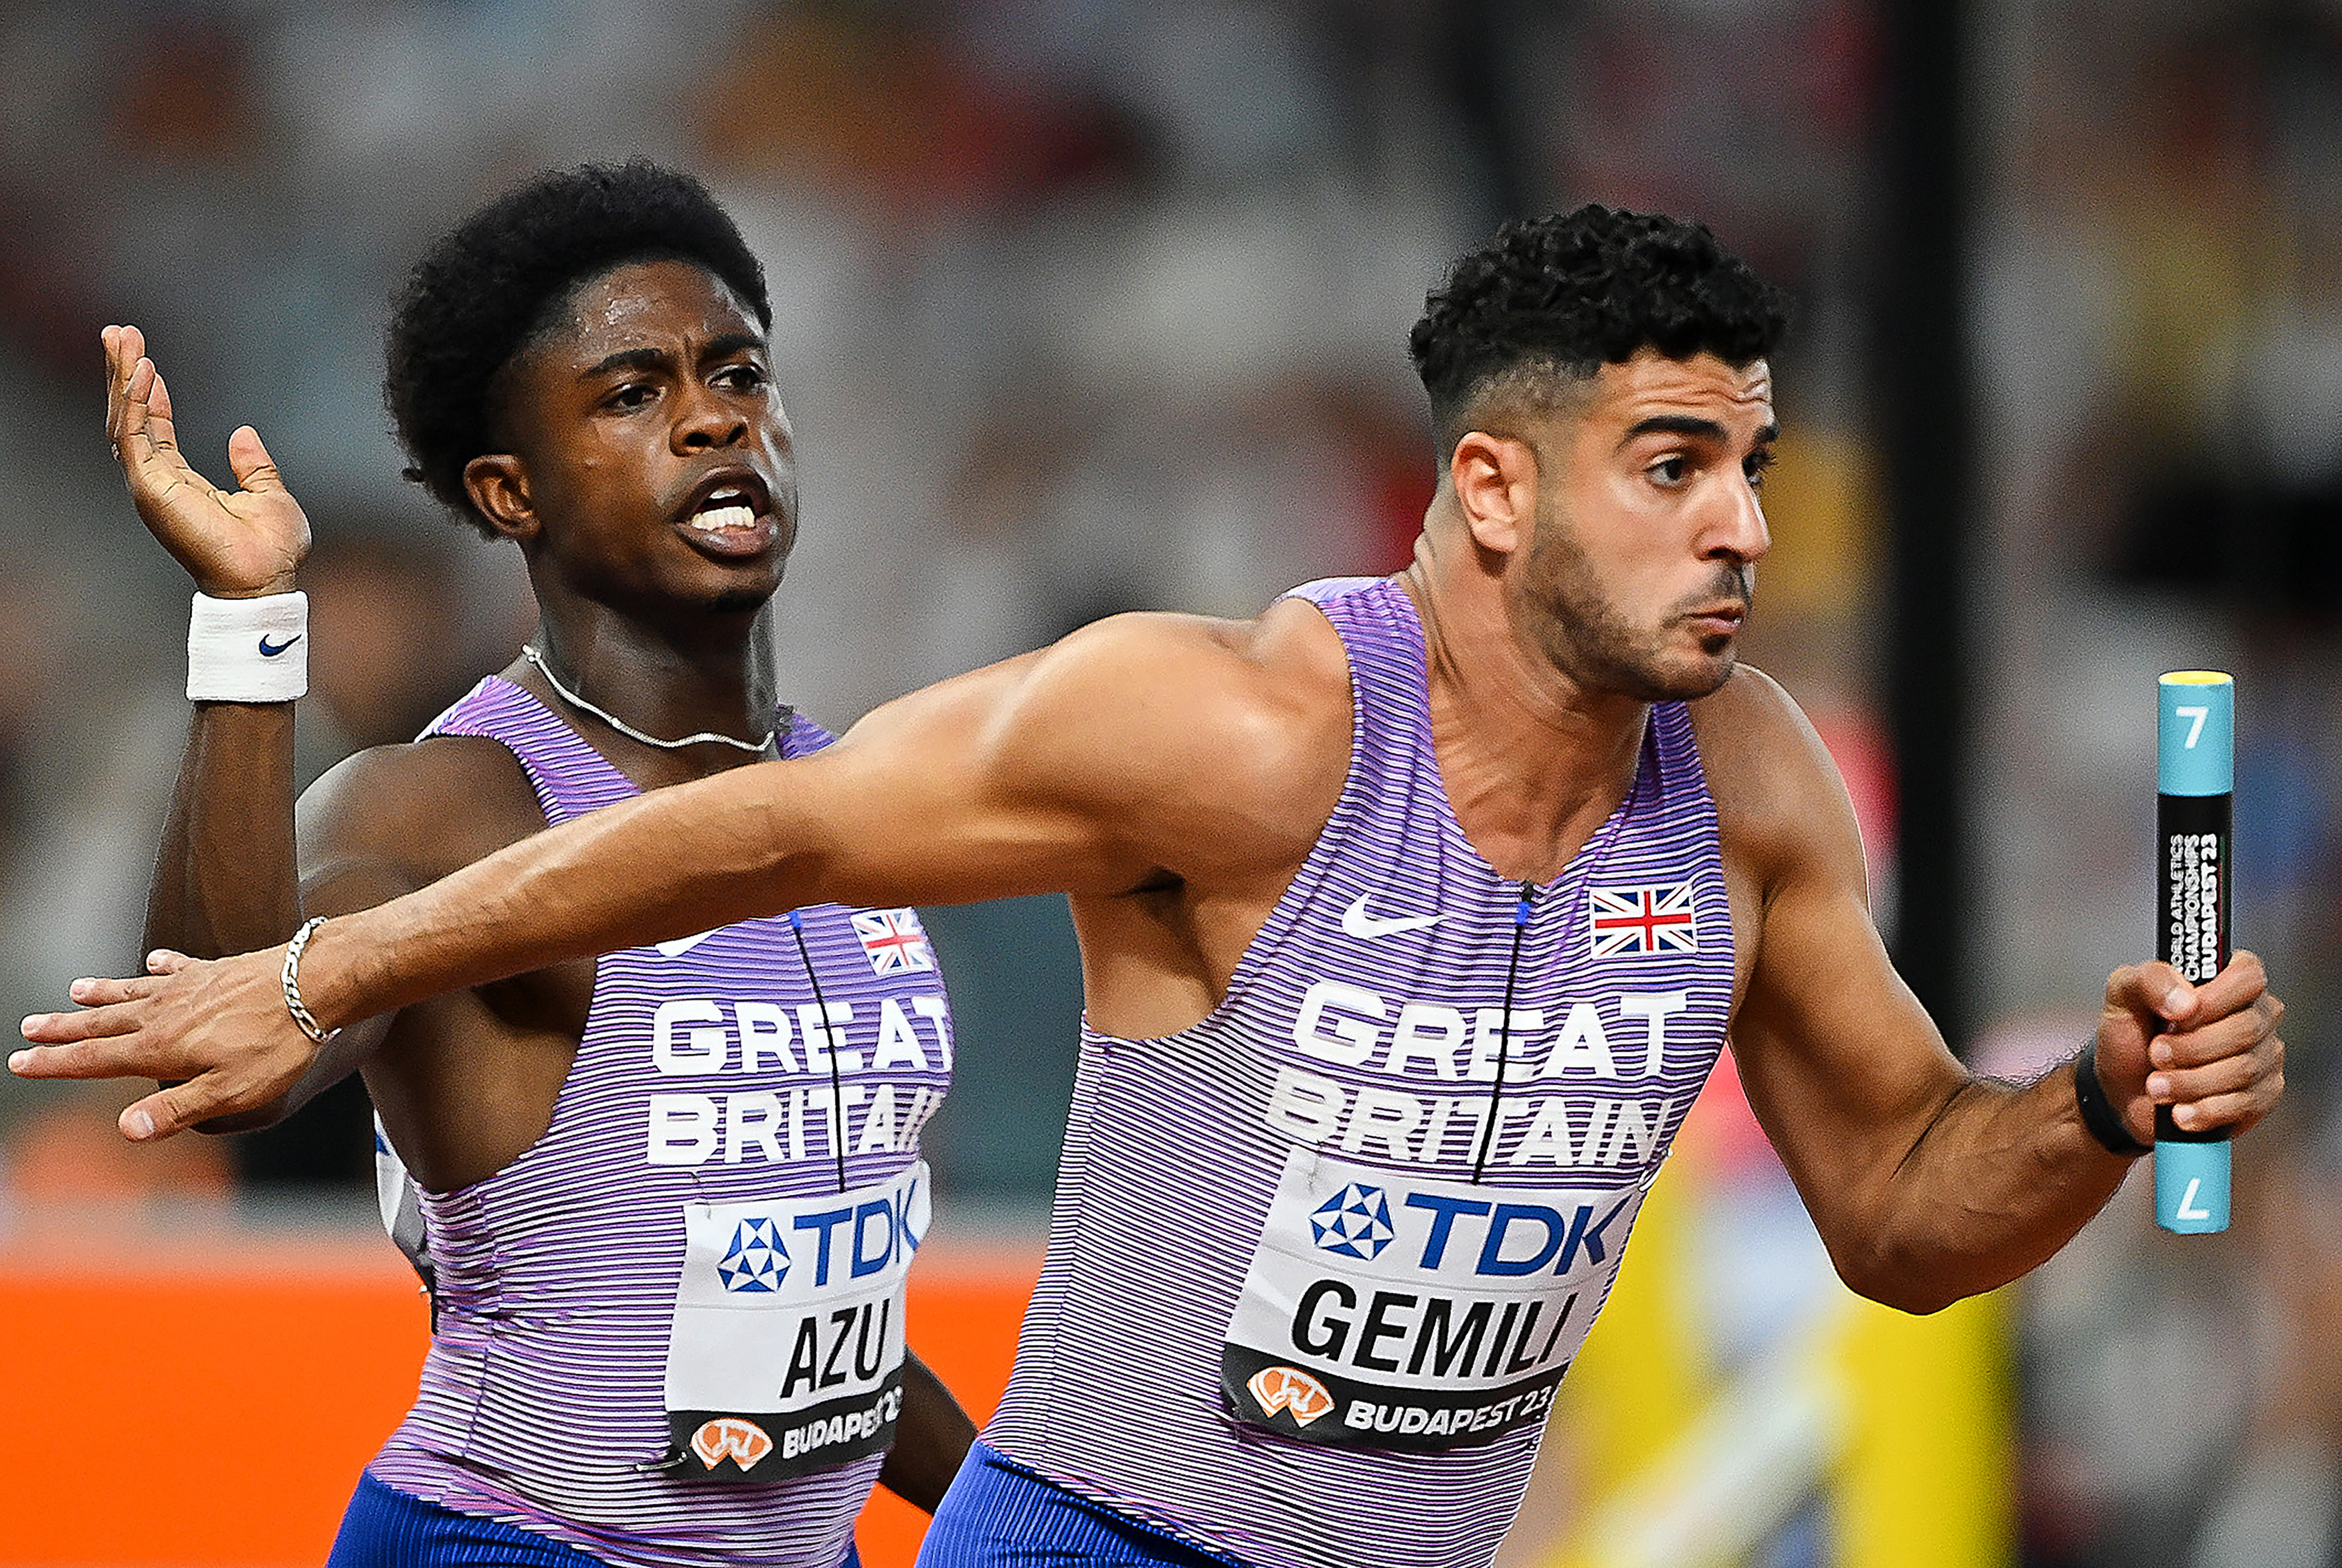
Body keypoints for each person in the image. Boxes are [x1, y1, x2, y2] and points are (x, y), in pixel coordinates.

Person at [20, 207, 2284, 1568]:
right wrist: (326, 969)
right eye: (1673, 469)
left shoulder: (1757, 782)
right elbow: (780, 828)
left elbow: (1901, 1212)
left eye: (1755, 470)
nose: (1745, 531)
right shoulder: (1246, 727)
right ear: (1493, 490)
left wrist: (2096, 1105)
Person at [78, 163, 971, 1567]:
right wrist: (251, 624)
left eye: (737, 370)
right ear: (510, 491)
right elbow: (219, 1026)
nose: (712, 413)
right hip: (520, 1539)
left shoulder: (853, 795)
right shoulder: (454, 805)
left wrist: (1011, 1513)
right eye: (631, 393)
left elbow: (814, 1331)